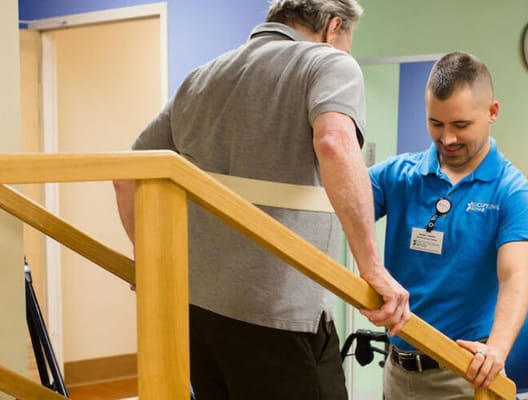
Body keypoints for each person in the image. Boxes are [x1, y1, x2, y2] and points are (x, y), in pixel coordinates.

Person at [112, 1, 410, 398]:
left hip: (199, 315)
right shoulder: (327, 64)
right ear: (334, 27)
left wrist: (152, 265)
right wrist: (371, 268)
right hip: (281, 317)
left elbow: (126, 174)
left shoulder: (203, 77)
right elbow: (334, 142)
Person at [369, 52, 528, 399]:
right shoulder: (399, 176)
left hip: (461, 375)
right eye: (436, 123)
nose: (447, 139)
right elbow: (335, 205)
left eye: (460, 126)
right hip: (396, 371)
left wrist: (497, 350)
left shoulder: (512, 191)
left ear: (492, 112)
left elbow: (515, 278)